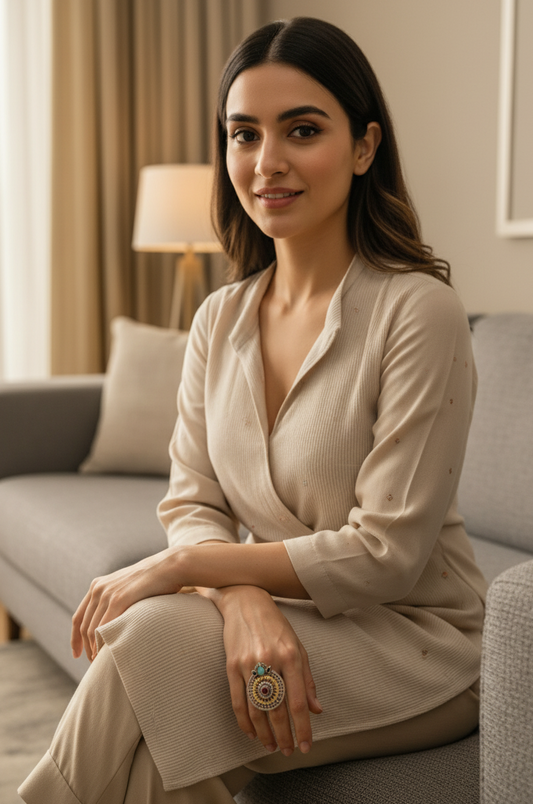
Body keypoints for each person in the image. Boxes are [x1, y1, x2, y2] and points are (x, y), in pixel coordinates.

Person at [19, 16, 487, 804]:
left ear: (365, 146)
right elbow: (194, 498)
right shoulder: (218, 319)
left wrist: (187, 567)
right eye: (243, 134)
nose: (267, 162)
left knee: (153, 642)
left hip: (417, 645)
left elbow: (387, 555)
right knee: (158, 731)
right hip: (288, 628)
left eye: (301, 130)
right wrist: (241, 601)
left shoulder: (418, 311)